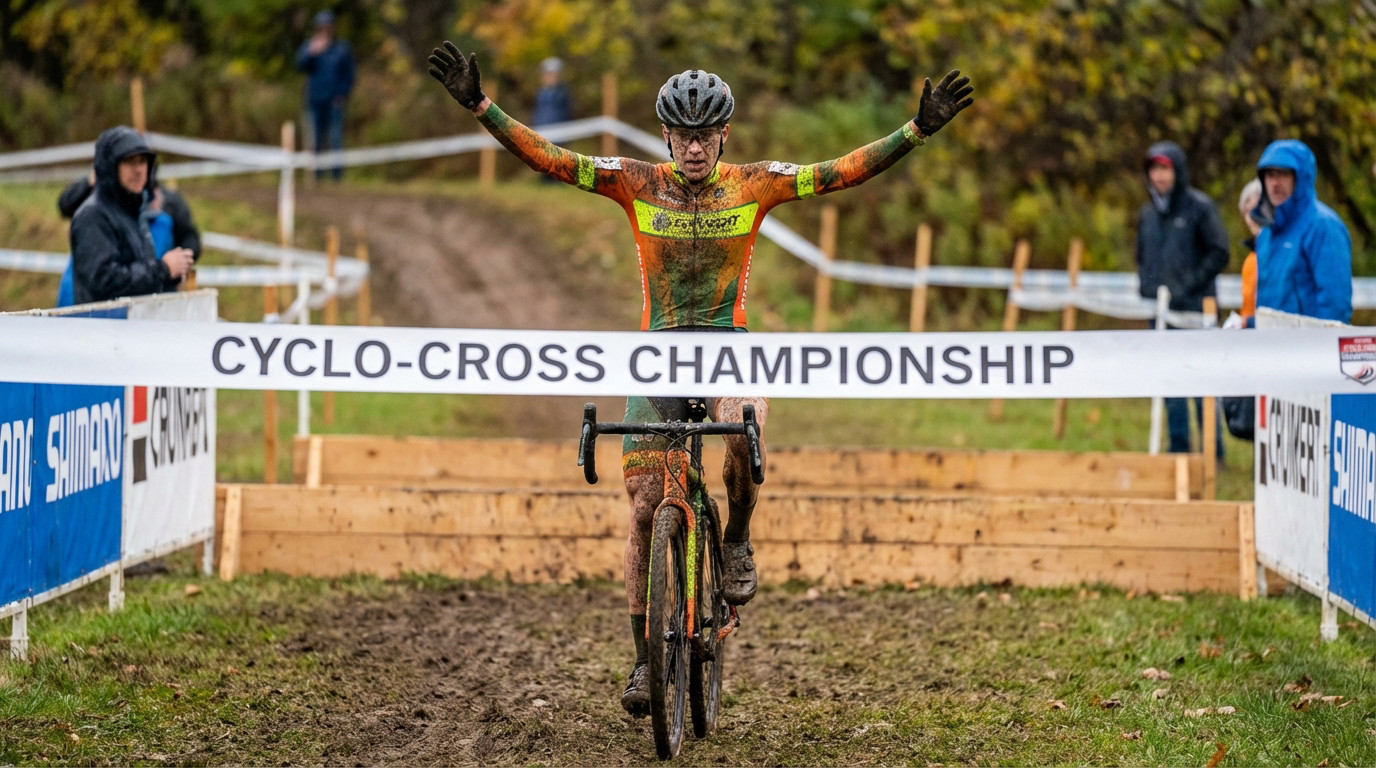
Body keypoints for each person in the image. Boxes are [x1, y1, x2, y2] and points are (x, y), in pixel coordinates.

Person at [427, 40, 973, 717]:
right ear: (666, 135)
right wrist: (482, 107)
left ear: (723, 136)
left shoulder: (754, 185)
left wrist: (915, 130)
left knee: (744, 435)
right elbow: (554, 159)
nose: (694, 148)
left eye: (706, 136)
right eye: (683, 136)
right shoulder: (635, 181)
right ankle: (640, 658)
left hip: (728, 345)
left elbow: (837, 173)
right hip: (659, 352)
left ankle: (737, 537)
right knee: (640, 506)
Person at [1134, 141, 1229, 459]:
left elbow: (1219, 252)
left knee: (1202, 384)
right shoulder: (1148, 214)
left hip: (1196, 312)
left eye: (1165, 169)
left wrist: (1187, 287)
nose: (1159, 176)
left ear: (1178, 171)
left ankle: (1211, 453)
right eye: (1154, 169)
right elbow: (1143, 258)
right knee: (1169, 383)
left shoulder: (1200, 208)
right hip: (1161, 314)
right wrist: (1148, 289)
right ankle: (1178, 451)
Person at [69, 126, 194, 304]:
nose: (139, 170)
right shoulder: (92, 215)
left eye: (143, 161)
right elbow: (104, 280)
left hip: (131, 327)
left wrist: (172, 274)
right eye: (130, 161)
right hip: (101, 328)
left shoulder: (134, 211)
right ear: (110, 167)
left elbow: (139, 286)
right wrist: (163, 270)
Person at [57, 168, 201, 307]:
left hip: (145, 302)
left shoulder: (165, 215)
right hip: (90, 305)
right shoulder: (95, 213)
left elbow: (189, 238)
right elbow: (65, 204)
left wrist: (179, 264)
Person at [1250, 139, 1352, 322]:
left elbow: (1335, 305)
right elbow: (1272, 305)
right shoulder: (1266, 233)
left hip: (1310, 346)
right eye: (1270, 175)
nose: (1275, 183)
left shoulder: (1323, 226)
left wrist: (1318, 346)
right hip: (1271, 346)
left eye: (1283, 174)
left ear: (1302, 177)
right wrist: (1249, 325)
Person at [296, 10, 355, 181]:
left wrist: (342, 95)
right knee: (315, 140)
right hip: (314, 100)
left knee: (335, 138)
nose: (325, 30)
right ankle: (317, 176)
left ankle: (337, 176)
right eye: (322, 26)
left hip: (334, 101)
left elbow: (349, 75)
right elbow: (299, 65)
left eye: (328, 26)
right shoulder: (310, 46)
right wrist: (311, 52)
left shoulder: (342, 49)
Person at [531, 57, 573, 128]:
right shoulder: (540, 92)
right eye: (547, 74)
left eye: (552, 75)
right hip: (541, 130)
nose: (549, 77)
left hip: (559, 131)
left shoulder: (562, 93)